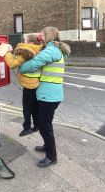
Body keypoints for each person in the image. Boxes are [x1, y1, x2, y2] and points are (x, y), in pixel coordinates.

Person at [19, 27, 71, 167]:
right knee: (44, 124)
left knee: (44, 126)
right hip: (52, 95)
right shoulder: (57, 49)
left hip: (49, 96)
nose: (40, 37)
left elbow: (32, 65)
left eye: (43, 34)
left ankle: (51, 157)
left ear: (47, 36)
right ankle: (47, 147)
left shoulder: (51, 50)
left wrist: (20, 67)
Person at [4, 34, 44, 137]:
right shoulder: (38, 50)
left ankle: (27, 128)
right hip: (36, 83)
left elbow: (12, 64)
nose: (23, 42)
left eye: (25, 40)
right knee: (35, 107)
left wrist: (7, 52)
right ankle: (36, 126)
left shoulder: (27, 51)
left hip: (28, 85)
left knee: (27, 108)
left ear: (30, 43)